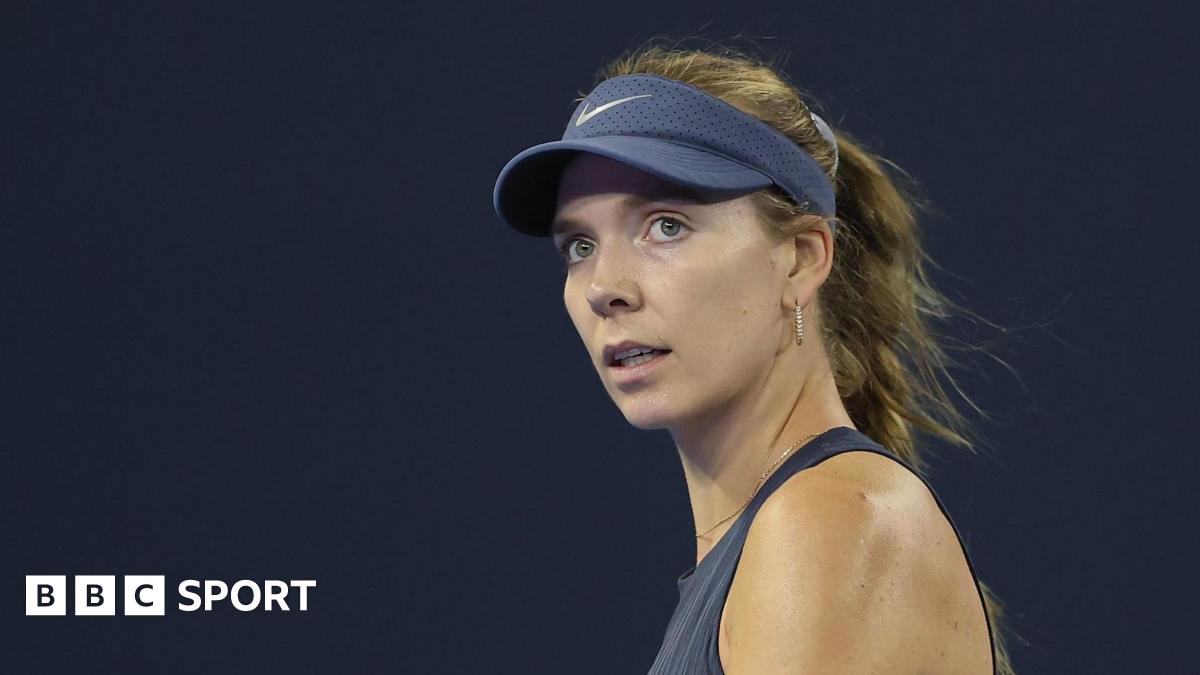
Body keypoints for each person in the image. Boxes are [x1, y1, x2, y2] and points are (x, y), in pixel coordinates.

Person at [492, 41, 1015, 675]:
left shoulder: (826, 524)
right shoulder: (790, 534)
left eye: (666, 225)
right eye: (580, 246)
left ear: (800, 259)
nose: (604, 287)